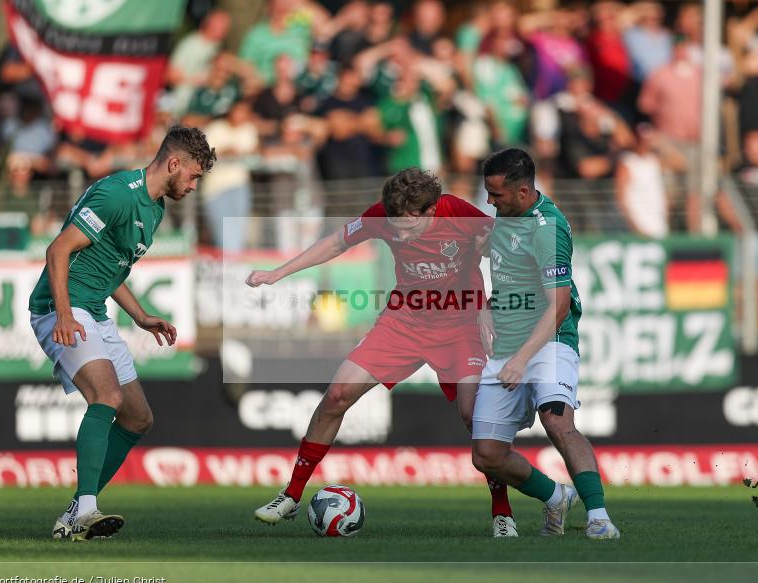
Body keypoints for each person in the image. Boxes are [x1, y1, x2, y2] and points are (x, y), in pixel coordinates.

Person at [246, 168, 520, 538]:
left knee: (475, 415)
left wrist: (488, 303)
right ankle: (292, 495)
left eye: (408, 227)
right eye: (395, 228)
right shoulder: (384, 214)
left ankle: (502, 512)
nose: (400, 236)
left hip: (460, 326)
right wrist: (278, 273)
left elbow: (504, 250)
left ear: (431, 210)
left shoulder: (457, 212)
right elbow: (336, 243)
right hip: (404, 322)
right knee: (337, 395)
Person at [28, 125, 217, 541]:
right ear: (173, 163)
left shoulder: (155, 208)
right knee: (107, 396)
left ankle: (77, 511)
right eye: (193, 176)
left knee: (137, 417)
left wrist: (140, 314)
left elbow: (109, 268)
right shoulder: (117, 194)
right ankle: (85, 510)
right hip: (61, 307)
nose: (194, 186)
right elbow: (58, 249)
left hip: (93, 310)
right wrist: (64, 315)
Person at [470, 148, 621, 540]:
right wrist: (487, 307)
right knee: (486, 455)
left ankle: (599, 517)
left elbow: (558, 305)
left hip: (548, 340)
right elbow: (510, 271)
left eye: (496, 194)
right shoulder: (506, 216)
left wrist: (522, 360)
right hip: (507, 344)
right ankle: (556, 496)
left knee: (557, 421)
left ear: (523, 192)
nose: (490, 202)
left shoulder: (546, 228)